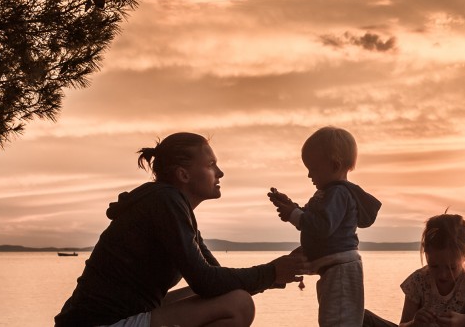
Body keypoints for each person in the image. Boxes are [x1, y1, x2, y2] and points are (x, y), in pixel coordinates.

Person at [55, 132, 307, 327]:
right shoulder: (165, 201)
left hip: (120, 316)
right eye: (211, 164)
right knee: (239, 304)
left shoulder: (172, 207)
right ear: (183, 175)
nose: (220, 172)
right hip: (99, 323)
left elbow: (215, 279)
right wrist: (272, 272)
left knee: (233, 295)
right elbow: (206, 281)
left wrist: (277, 273)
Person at [268, 126, 383, 326]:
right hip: (334, 268)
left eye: (313, 168)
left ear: (334, 164)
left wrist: (294, 214)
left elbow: (322, 227)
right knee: (334, 319)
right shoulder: (329, 193)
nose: (309, 175)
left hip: (340, 269)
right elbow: (313, 218)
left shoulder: (338, 193)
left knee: (337, 321)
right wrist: (292, 207)